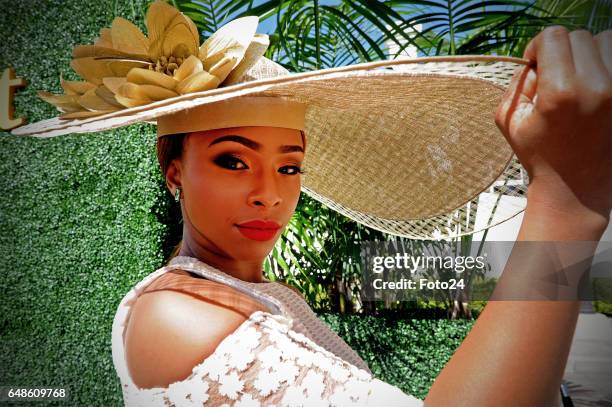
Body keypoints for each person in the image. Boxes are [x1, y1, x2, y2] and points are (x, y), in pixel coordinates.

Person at [12, 2, 611, 404]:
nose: (269, 192)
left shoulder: (264, 296)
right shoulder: (175, 315)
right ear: (174, 173)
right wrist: (564, 204)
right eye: (232, 160)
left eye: (290, 165)